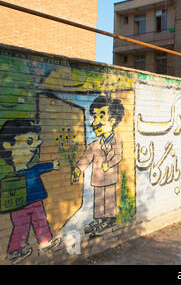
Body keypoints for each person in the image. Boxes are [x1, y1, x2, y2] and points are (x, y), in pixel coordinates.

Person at [0, 119, 61, 264]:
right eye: (29, 141)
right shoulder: (11, 179)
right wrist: (52, 165)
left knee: (40, 222)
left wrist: (52, 165)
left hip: (35, 202)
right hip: (20, 206)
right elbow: (39, 168)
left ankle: (46, 242)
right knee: (21, 227)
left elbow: (40, 168)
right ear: (8, 145)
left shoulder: (27, 172)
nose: (37, 144)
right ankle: (15, 251)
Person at [71, 95, 124, 235]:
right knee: (99, 200)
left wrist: (109, 163)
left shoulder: (117, 140)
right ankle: (99, 220)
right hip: (98, 179)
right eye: (95, 117)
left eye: (101, 116)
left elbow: (118, 155)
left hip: (110, 177)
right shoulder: (95, 144)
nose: (95, 122)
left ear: (112, 121)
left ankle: (110, 219)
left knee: (109, 199)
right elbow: (86, 157)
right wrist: (78, 169)